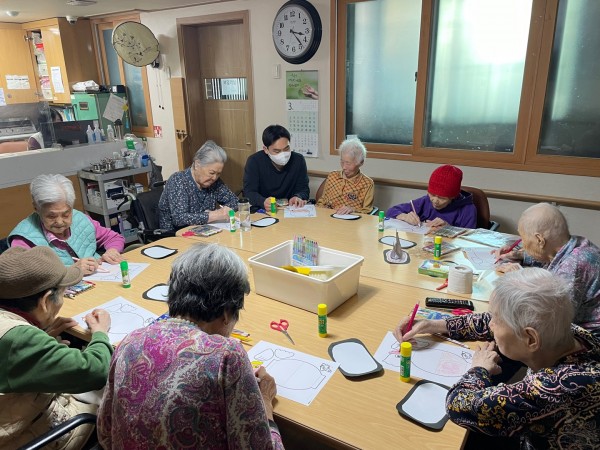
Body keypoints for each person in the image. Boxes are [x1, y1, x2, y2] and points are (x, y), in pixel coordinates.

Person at [97, 243, 284, 449]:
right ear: (227, 312)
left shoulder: (130, 341)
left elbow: (105, 433)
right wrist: (265, 402)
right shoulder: (227, 355)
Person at [394, 268, 600, 450]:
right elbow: (488, 321)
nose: (490, 325)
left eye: (497, 320)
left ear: (530, 339)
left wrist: (479, 368)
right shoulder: (568, 333)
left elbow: (458, 406)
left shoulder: (557, 387)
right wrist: (433, 325)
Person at [0, 246, 113, 449]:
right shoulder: (20, 340)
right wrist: (100, 333)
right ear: (45, 301)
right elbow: (96, 370)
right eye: (62, 293)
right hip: (30, 436)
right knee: (118, 392)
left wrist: (41, 335)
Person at [495, 202, 600, 336]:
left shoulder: (572, 265)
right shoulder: (575, 244)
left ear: (540, 240)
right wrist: (519, 255)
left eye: (524, 239)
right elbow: (550, 256)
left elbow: (550, 317)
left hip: (589, 337)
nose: (523, 244)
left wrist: (521, 279)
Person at [9, 174, 124, 276]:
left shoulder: (80, 218)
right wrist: (70, 271)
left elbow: (113, 237)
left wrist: (112, 251)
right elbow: (23, 276)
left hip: (100, 279)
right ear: (36, 208)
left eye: (66, 214)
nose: (60, 222)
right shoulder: (24, 238)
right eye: (51, 216)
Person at [158, 140, 239, 231]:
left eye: (218, 174)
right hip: (177, 234)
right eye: (211, 173)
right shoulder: (178, 180)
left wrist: (225, 210)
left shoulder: (214, 182)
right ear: (197, 165)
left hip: (205, 231)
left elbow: (234, 200)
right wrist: (213, 215)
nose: (214, 178)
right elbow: (179, 219)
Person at [386, 164, 477, 230]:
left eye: (442, 198)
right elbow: (391, 211)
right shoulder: (425, 201)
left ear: (453, 196)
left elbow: (470, 238)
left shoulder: (467, 209)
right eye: (432, 194)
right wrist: (403, 216)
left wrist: (449, 229)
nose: (435, 201)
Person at [243, 124, 310, 210]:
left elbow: (303, 189)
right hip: (264, 210)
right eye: (277, 151)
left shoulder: (298, 160)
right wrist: (262, 201)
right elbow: (249, 192)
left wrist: (298, 197)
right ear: (266, 149)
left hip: (290, 209)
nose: (283, 155)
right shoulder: (254, 161)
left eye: (286, 149)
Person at [315, 138, 374, 214]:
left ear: (361, 162)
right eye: (342, 162)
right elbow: (322, 201)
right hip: (326, 216)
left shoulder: (367, 184)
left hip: (349, 219)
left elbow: (367, 210)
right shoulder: (332, 176)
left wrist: (353, 210)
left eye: (348, 163)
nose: (344, 167)